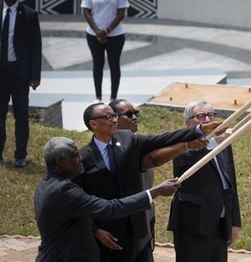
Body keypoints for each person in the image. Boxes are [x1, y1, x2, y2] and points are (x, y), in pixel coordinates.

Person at [73, 102, 221, 262]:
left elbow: (161, 139)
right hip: (107, 237)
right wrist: (95, 230)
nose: (114, 120)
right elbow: (76, 201)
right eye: (108, 117)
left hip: (138, 230)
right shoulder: (82, 158)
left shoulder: (127, 139)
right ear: (93, 124)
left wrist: (197, 131)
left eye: (115, 116)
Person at [34, 136, 181, 262]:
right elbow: (111, 208)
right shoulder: (64, 191)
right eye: (74, 155)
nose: (81, 158)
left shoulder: (46, 183)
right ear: (61, 161)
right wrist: (156, 191)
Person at [108, 99, 208, 256]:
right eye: (129, 114)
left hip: (143, 224)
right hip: (120, 228)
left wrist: (193, 136)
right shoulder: (115, 150)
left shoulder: (137, 142)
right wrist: (186, 145)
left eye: (136, 113)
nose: (134, 117)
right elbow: (152, 159)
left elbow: (164, 139)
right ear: (113, 119)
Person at [167, 100, 242, 262]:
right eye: (201, 116)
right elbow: (185, 160)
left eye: (210, 115)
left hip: (220, 224)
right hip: (193, 224)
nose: (207, 120)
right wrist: (213, 142)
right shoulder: (181, 143)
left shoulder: (221, 143)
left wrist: (234, 222)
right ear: (188, 123)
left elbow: (231, 183)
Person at [0, 0, 42, 168]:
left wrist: (35, 76)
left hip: (19, 74)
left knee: (21, 115)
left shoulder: (29, 15)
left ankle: (20, 155)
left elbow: (36, 46)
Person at [81, 0, 129, 102]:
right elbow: (86, 11)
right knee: (97, 65)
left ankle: (113, 98)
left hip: (115, 35)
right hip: (93, 35)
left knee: (114, 65)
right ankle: (98, 97)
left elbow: (121, 14)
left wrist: (107, 30)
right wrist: (97, 31)